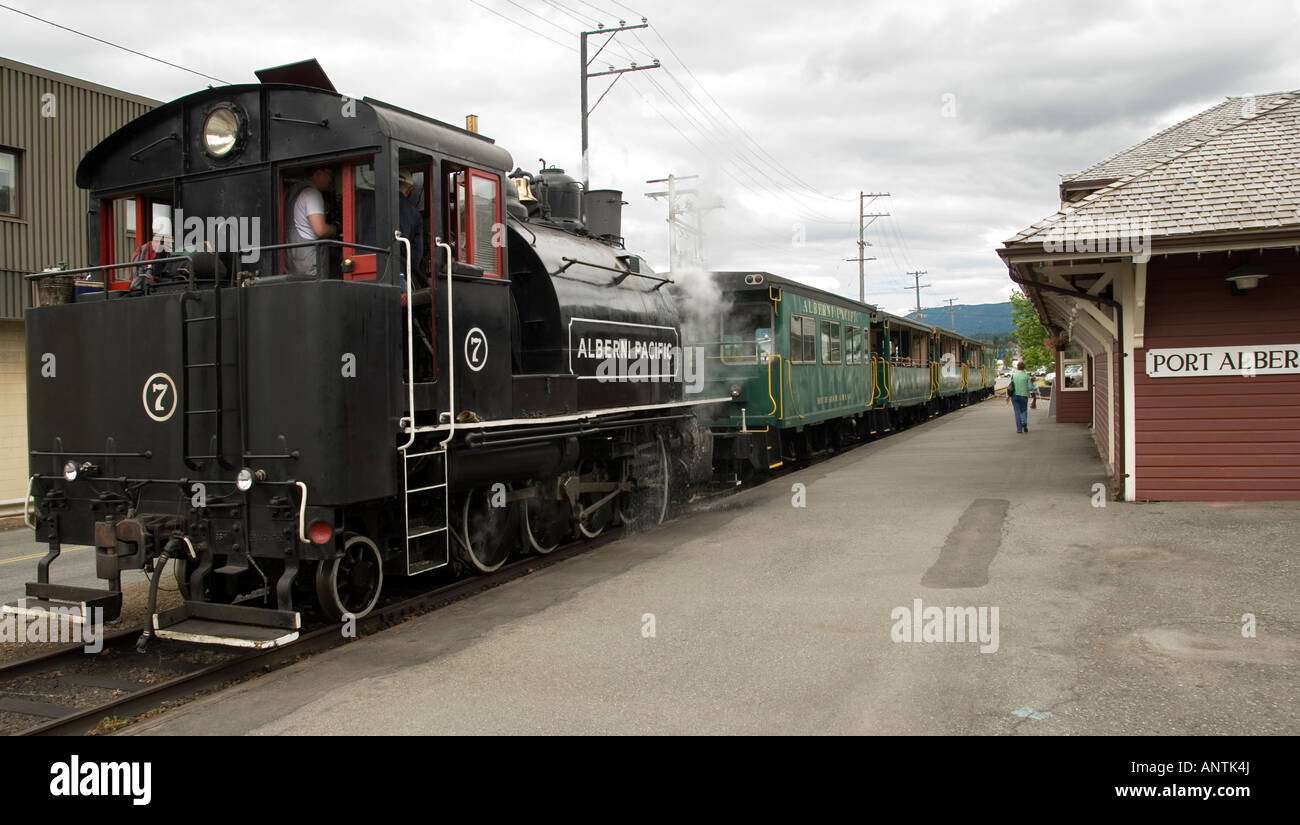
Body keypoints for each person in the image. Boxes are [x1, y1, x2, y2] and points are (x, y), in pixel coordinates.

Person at [288, 167, 337, 276]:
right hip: (310, 264)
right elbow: (320, 230)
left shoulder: (292, 192)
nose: (331, 179)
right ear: (318, 173)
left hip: (294, 261)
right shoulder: (312, 194)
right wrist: (334, 229)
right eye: (329, 174)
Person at [397, 170, 425, 285]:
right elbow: (416, 253)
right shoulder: (414, 214)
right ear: (409, 190)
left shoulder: (364, 203)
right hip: (397, 270)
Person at [1006, 360, 1033, 433]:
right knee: (1023, 410)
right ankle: (1024, 422)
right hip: (1024, 396)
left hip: (1014, 396)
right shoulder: (1026, 376)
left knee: (1017, 412)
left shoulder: (1014, 375)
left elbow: (1010, 386)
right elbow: (1030, 388)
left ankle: (1019, 429)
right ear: (1024, 368)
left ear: (1017, 367)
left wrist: (1008, 396)